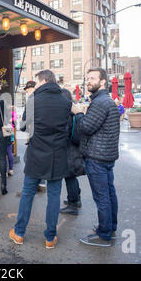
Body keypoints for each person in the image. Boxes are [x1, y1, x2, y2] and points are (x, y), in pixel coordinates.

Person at [9, 70, 72, 249]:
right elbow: (68, 127)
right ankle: (50, 238)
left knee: (28, 192)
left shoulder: (33, 101)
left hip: (37, 154)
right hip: (58, 155)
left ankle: (19, 233)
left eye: (36, 82)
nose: (35, 85)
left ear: (44, 81)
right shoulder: (66, 102)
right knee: (54, 195)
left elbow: (22, 126)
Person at [71, 68, 121, 247]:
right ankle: (110, 228)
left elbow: (86, 128)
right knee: (109, 193)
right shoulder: (106, 101)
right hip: (106, 157)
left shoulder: (100, 103)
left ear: (103, 82)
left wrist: (78, 113)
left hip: (97, 158)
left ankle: (104, 234)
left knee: (102, 197)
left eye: (92, 78)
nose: (88, 81)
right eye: (87, 78)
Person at [59, 88, 85, 216]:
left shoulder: (65, 114)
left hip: (69, 149)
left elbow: (64, 133)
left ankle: (72, 204)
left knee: (69, 177)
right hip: (75, 148)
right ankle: (76, 199)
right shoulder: (74, 112)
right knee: (72, 176)